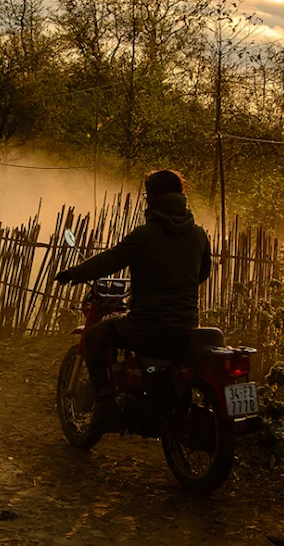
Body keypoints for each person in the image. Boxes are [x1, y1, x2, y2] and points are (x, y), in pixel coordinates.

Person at [55, 169, 211, 430]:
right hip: (186, 327)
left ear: (152, 198)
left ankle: (104, 405)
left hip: (148, 325)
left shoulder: (145, 235)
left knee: (94, 336)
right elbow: (202, 274)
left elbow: (109, 260)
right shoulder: (198, 235)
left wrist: (74, 274)